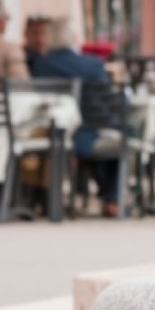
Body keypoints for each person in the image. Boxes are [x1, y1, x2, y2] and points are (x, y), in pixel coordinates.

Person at [30, 18, 122, 217]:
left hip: (53, 134)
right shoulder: (93, 64)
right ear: (74, 38)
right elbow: (107, 106)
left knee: (104, 140)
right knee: (118, 140)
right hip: (86, 135)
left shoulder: (41, 65)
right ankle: (113, 197)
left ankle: (108, 195)